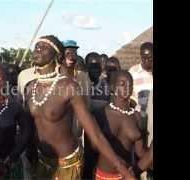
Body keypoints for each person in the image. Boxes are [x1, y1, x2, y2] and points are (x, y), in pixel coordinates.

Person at [24, 35, 135, 179]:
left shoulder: (69, 87)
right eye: (36, 47)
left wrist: (122, 168)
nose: (38, 50)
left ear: (57, 55)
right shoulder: (30, 87)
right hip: (41, 162)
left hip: (67, 165)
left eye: (44, 47)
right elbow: (29, 128)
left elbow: (95, 134)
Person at [93, 70, 147, 180]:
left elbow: (140, 152)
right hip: (102, 176)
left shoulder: (137, 117)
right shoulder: (102, 113)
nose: (127, 87)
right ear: (112, 87)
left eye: (130, 84)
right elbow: (94, 147)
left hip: (127, 176)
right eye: (122, 84)